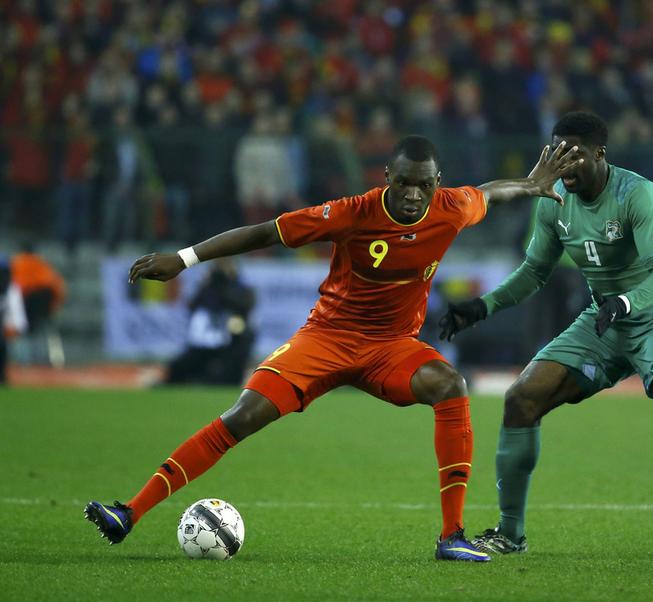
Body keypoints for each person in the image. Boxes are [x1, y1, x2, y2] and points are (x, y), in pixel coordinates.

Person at [84, 135, 576, 561]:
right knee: (241, 416)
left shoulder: (452, 206)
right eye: (402, 182)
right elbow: (265, 232)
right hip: (326, 338)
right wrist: (184, 258)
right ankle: (129, 511)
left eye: (423, 184)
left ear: (437, 181)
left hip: (391, 347)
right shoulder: (351, 213)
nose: (412, 194)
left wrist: (531, 185)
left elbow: (490, 192)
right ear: (386, 176)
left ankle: (452, 536)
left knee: (450, 386)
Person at [439, 112, 653, 558]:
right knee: (522, 398)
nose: (563, 164)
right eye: (556, 153)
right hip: (603, 320)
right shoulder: (551, 200)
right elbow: (534, 271)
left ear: (600, 154)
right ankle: (510, 533)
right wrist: (481, 307)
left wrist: (624, 302)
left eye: (574, 154)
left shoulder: (637, 193)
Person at [165, 259, 255, 386]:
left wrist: (222, 286)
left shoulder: (242, 290)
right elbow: (192, 306)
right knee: (179, 367)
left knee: (222, 373)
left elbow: (245, 306)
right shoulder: (207, 289)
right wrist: (206, 285)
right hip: (205, 340)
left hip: (231, 342)